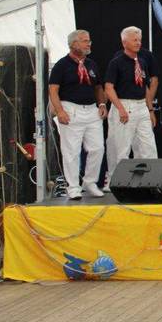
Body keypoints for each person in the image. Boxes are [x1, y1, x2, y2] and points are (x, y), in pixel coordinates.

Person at [49, 30, 107, 199]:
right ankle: (73, 187)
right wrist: (60, 111)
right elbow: (53, 90)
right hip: (70, 109)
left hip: (91, 111)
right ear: (73, 44)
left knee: (98, 148)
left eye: (89, 41)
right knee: (71, 151)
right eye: (84, 41)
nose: (89, 44)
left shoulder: (91, 64)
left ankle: (90, 182)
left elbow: (98, 87)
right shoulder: (62, 65)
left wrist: (102, 103)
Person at [104, 26, 159, 189]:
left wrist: (150, 109)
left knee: (148, 145)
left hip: (141, 106)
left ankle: (151, 181)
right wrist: (120, 108)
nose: (138, 43)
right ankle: (120, 183)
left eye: (139, 40)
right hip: (125, 105)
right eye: (134, 40)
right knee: (122, 147)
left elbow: (145, 87)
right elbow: (108, 87)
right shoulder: (116, 62)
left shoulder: (142, 62)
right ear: (124, 42)